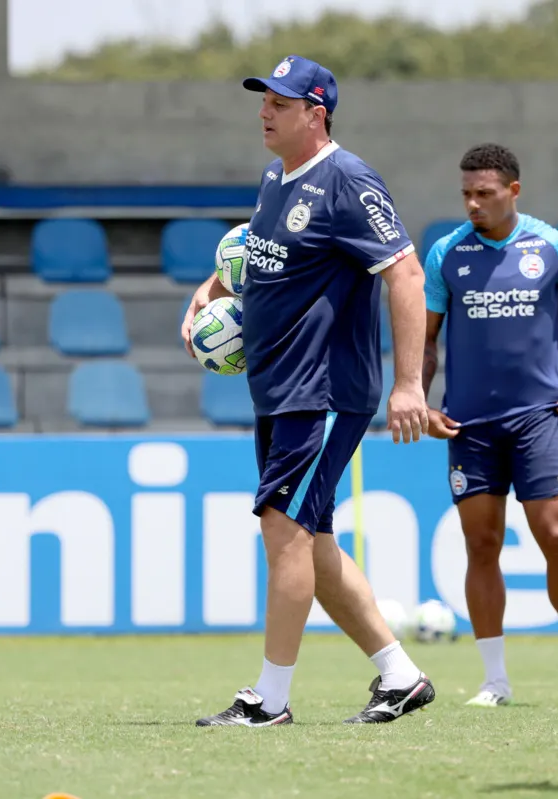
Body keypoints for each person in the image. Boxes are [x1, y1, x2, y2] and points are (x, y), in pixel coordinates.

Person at [181, 54, 436, 728]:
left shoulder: (347, 179)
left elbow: (405, 275)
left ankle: (270, 700)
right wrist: (209, 294)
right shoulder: (275, 177)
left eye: (280, 103)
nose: (265, 111)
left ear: (316, 114)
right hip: (278, 388)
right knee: (313, 540)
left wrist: (409, 384)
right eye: (263, 99)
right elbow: (255, 260)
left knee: (285, 532)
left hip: (321, 391)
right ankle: (400, 675)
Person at [422, 143, 558, 709]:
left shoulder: (553, 247)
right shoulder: (446, 253)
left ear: (513, 190)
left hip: (538, 418)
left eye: (483, 193)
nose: (472, 204)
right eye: (465, 194)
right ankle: (494, 681)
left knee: (556, 538)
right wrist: (421, 399)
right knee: (480, 544)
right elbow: (427, 341)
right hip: (468, 424)